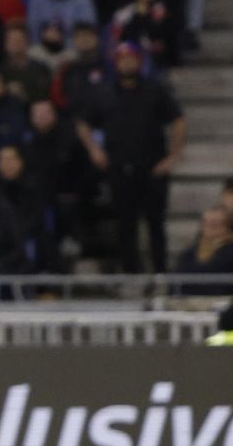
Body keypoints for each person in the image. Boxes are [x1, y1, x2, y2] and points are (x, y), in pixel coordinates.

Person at [76, 42, 186, 273]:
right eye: (122, 58)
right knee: (125, 225)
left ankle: (160, 273)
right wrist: (94, 150)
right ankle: (131, 275)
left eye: (131, 58)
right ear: (115, 62)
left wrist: (173, 156)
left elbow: (178, 120)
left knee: (156, 224)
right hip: (119, 167)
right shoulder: (104, 92)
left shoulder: (154, 89)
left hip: (152, 166)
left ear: (140, 61)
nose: (127, 62)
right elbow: (83, 122)